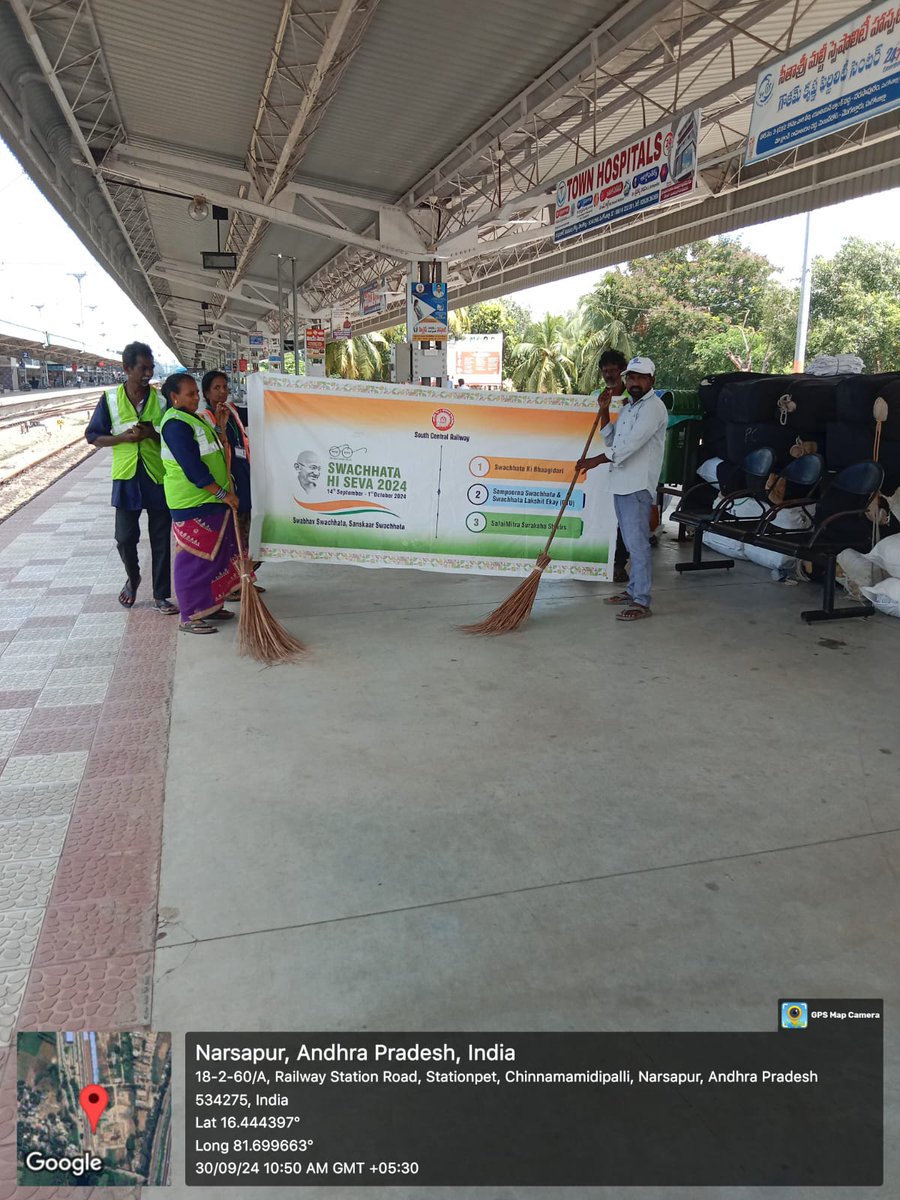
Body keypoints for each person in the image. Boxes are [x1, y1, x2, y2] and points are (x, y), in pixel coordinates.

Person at [84, 341, 177, 613]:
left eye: (151, 368)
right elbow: (93, 437)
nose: (148, 373)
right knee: (125, 537)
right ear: (127, 368)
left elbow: (173, 437)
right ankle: (133, 576)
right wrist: (123, 438)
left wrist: (152, 434)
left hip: (157, 476)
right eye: (142, 368)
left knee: (160, 538)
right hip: (125, 477)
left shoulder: (161, 400)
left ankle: (161, 594)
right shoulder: (110, 399)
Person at [577, 356, 668, 622]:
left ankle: (642, 601)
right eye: (630, 377)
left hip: (637, 486)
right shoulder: (629, 407)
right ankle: (632, 591)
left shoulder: (654, 409)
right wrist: (604, 409)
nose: (634, 382)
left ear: (651, 380)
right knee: (630, 541)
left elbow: (629, 447)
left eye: (640, 377)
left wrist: (595, 460)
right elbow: (612, 438)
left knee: (637, 544)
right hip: (621, 483)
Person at [159, 373, 241, 635]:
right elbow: (193, 468)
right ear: (174, 397)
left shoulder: (191, 419)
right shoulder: (174, 424)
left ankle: (211, 606)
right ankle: (190, 614)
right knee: (194, 560)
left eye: (196, 393)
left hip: (210, 500)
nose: (196, 398)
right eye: (190, 394)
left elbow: (208, 451)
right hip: (194, 501)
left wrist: (219, 429)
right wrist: (221, 494)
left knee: (215, 558)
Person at [199, 371, 261, 595]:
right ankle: (234, 584)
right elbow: (214, 442)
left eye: (224, 387)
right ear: (206, 392)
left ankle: (245, 578)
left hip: (244, 477)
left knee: (249, 534)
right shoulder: (205, 418)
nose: (222, 392)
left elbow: (258, 413)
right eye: (216, 388)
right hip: (227, 483)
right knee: (232, 537)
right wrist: (220, 426)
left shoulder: (233, 410)